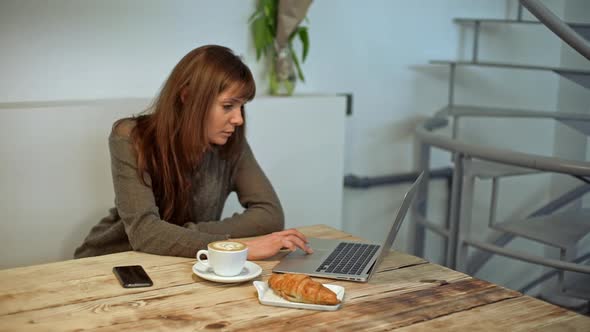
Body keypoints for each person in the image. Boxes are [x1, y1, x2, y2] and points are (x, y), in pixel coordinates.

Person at [74, 45, 312, 260]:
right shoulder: (131, 136)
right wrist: (239, 248)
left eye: (242, 106)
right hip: (113, 261)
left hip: (180, 264)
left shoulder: (232, 144)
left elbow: (270, 215)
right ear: (187, 97)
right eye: (228, 106)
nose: (238, 119)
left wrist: (183, 235)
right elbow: (144, 233)